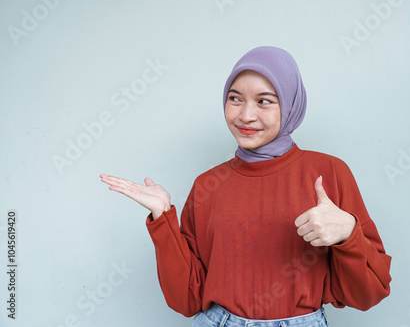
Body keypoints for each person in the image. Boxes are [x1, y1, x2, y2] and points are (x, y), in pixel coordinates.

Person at [100, 46, 391, 326]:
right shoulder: (207, 185)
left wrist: (348, 234)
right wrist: (162, 218)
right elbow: (187, 299)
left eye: (264, 101)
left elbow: (371, 291)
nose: (246, 115)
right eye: (235, 98)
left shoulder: (328, 174)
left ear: (290, 105)